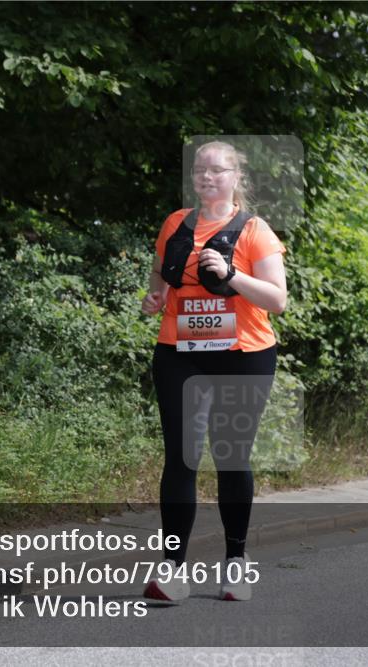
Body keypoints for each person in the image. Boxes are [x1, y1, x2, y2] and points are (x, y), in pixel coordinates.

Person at [140, 140, 287, 602]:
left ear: (235, 177)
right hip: (180, 352)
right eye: (200, 169)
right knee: (181, 458)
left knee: (230, 457)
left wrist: (230, 275)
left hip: (243, 355)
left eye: (217, 170)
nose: (206, 177)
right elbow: (160, 275)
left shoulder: (254, 231)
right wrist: (154, 298)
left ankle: (236, 563)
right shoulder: (175, 224)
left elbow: (277, 301)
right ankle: (172, 569)